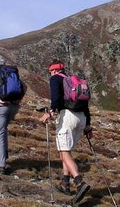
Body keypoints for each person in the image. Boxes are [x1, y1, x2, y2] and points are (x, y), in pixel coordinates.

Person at [40, 60, 92, 204]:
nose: (50, 73)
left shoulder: (55, 79)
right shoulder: (73, 82)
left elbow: (55, 97)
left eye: (50, 71)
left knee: (64, 152)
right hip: (81, 118)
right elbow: (85, 104)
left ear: (54, 71)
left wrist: (50, 113)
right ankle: (65, 183)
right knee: (66, 151)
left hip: (67, 117)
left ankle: (79, 182)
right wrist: (88, 125)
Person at [0, 54, 26, 174]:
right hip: (14, 106)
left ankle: (0, 165)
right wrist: (19, 100)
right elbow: (24, 86)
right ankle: (4, 154)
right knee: (3, 129)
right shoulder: (10, 72)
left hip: (2, 106)